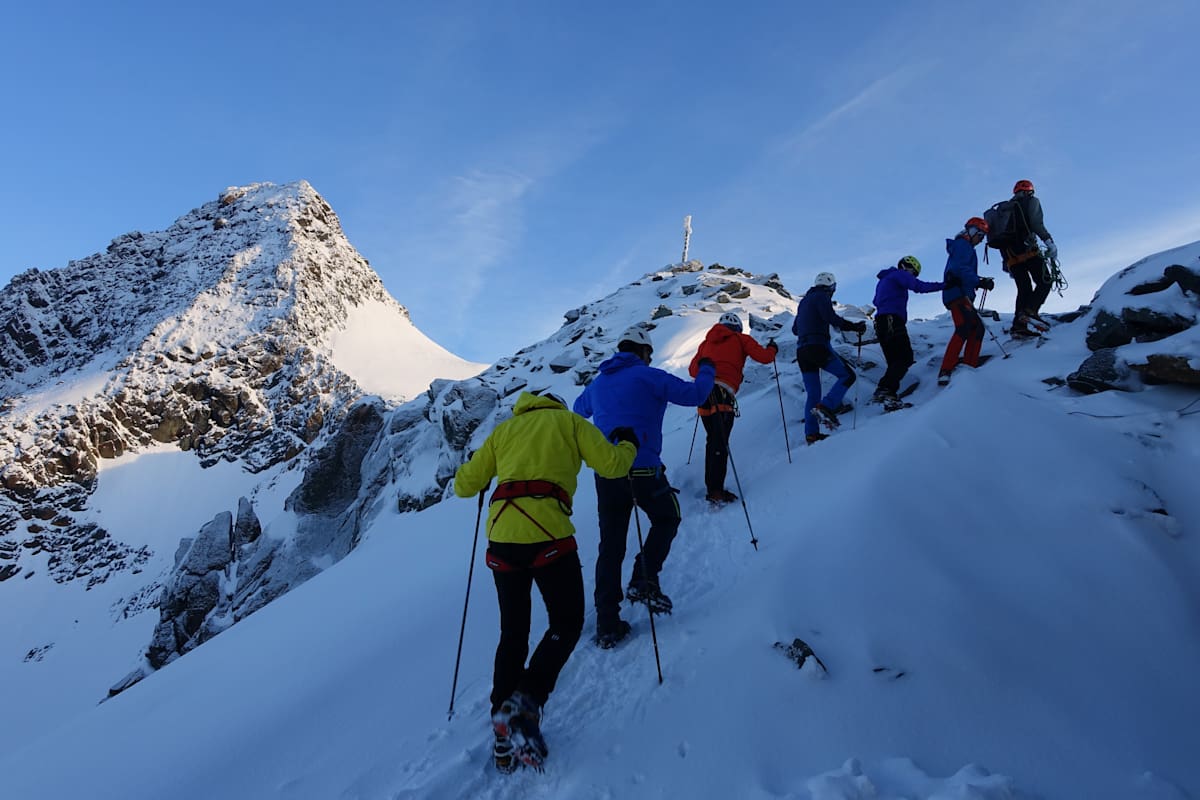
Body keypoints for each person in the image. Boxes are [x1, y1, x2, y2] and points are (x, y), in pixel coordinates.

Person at [454, 390, 638, 773]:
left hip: (502, 539)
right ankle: (526, 700)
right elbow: (613, 466)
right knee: (567, 622)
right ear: (556, 405)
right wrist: (628, 445)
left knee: (513, 632)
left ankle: (502, 729)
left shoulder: (505, 430)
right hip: (548, 536)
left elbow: (465, 486)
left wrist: (477, 464)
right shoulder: (570, 423)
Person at [573, 325, 715, 648]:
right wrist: (707, 368)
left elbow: (578, 410)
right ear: (642, 351)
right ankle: (643, 578)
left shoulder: (598, 384)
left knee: (610, 546)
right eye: (648, 354)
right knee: (668, 517)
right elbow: (696, 394)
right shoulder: (649, 377)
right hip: (643, 469)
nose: (650, 359)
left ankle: (607, 624)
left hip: (608, 474)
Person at [687, 312, 778, 504]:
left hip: (703, 394)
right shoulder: (740, 338)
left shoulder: (706, 343)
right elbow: (764, 358)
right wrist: (772, 349)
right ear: (737, 327)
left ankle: (713, 488)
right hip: (723, 394)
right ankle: (715, 491)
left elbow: (693, 370)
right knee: (719, 443)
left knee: (713, 441)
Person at [791, 272, 867, 444]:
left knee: (813, 393)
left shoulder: (804, 302)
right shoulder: (822, 296)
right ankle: (827, 406)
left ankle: (812, 434)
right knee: (848, 375)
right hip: (817, 346)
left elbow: (795, 329)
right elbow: (830, 317)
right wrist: (854, 327)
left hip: (802, 351)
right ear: (832, 287)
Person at [871, 256, 944, 409]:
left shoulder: (885, 280)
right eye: (913, 272)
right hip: (892, 320)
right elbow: (919, 287)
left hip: (881, 323)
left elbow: (876, 301)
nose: (913, 275)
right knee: (905, 357)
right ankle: (885, 390)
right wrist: (945, 285)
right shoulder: (899, 274)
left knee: (894, 361)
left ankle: (889, 398)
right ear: (906, 266)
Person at [938, 218, 996, 386]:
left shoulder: (962, 247)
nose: (981, 239)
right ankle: (948, 370)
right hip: (958, 293)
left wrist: (978, 281)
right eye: (980, 235)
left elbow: (961, 269)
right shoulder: (963, 246)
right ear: (971, 232)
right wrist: (979, 281)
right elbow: (960, 269)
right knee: (965, 327)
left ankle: (966, 367)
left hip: (958, 293)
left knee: (975, 328)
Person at [1000, 179, 1057, 337]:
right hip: (1029, 251)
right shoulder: (1031, 201)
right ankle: (1030, 312)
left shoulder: (1004, 210)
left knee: (1024, 289)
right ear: (1030, 191)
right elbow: (1036, 223)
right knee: (1045, 281)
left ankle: (1019, 327)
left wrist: (1006, 263)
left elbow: (1000, 239)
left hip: (1011, 257)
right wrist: (1049, 241)